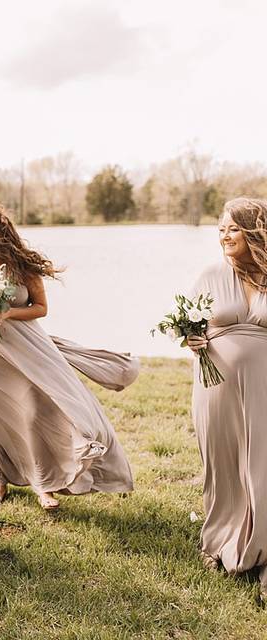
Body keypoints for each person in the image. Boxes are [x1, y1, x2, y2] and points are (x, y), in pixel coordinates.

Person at [0, 204, 137, 510]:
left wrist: (9, 312)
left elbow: (40, 308)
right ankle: (0, 477)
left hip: (28, 349)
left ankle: (44, 483)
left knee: (34, 412)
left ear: (0, 236)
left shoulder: (22, 269)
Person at [186, 197, 267, 598]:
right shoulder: (211, 274)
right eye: (220, 228)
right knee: (222, 466)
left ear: (253, 231)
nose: (224, 235)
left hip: (263, 389)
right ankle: (219, 538)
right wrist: (190, 337)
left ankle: (262, 544)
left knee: (261, 465)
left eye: (232, 228)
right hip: (216, 386)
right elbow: (185, 324)